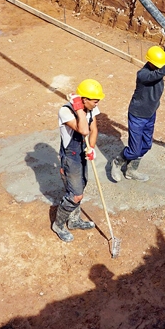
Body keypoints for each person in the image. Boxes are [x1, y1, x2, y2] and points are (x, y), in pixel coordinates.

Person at [110, 32, 165, 183]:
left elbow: (164, 58)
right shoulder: (143, 74)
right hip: (138, 115)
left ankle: (131, 171)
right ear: (150, 63)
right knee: (133, 150)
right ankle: (117, 162)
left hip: (150, 114)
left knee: (146, 145)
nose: (161, 66)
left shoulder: (155, 65)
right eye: (158, 65)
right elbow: (159, 73)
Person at [52, 79, 104, 242]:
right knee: (75, 195)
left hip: (82, 153)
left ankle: (74, 221)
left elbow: (93, 129)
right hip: (70, 157)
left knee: (81, 186)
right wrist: (79, 109)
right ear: (84, 99)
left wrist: (92, 148)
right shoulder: (66, 111)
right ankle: (58, 225)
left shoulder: (91, 108)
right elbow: (83, 130)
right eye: (95, 101)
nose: (97, 104)